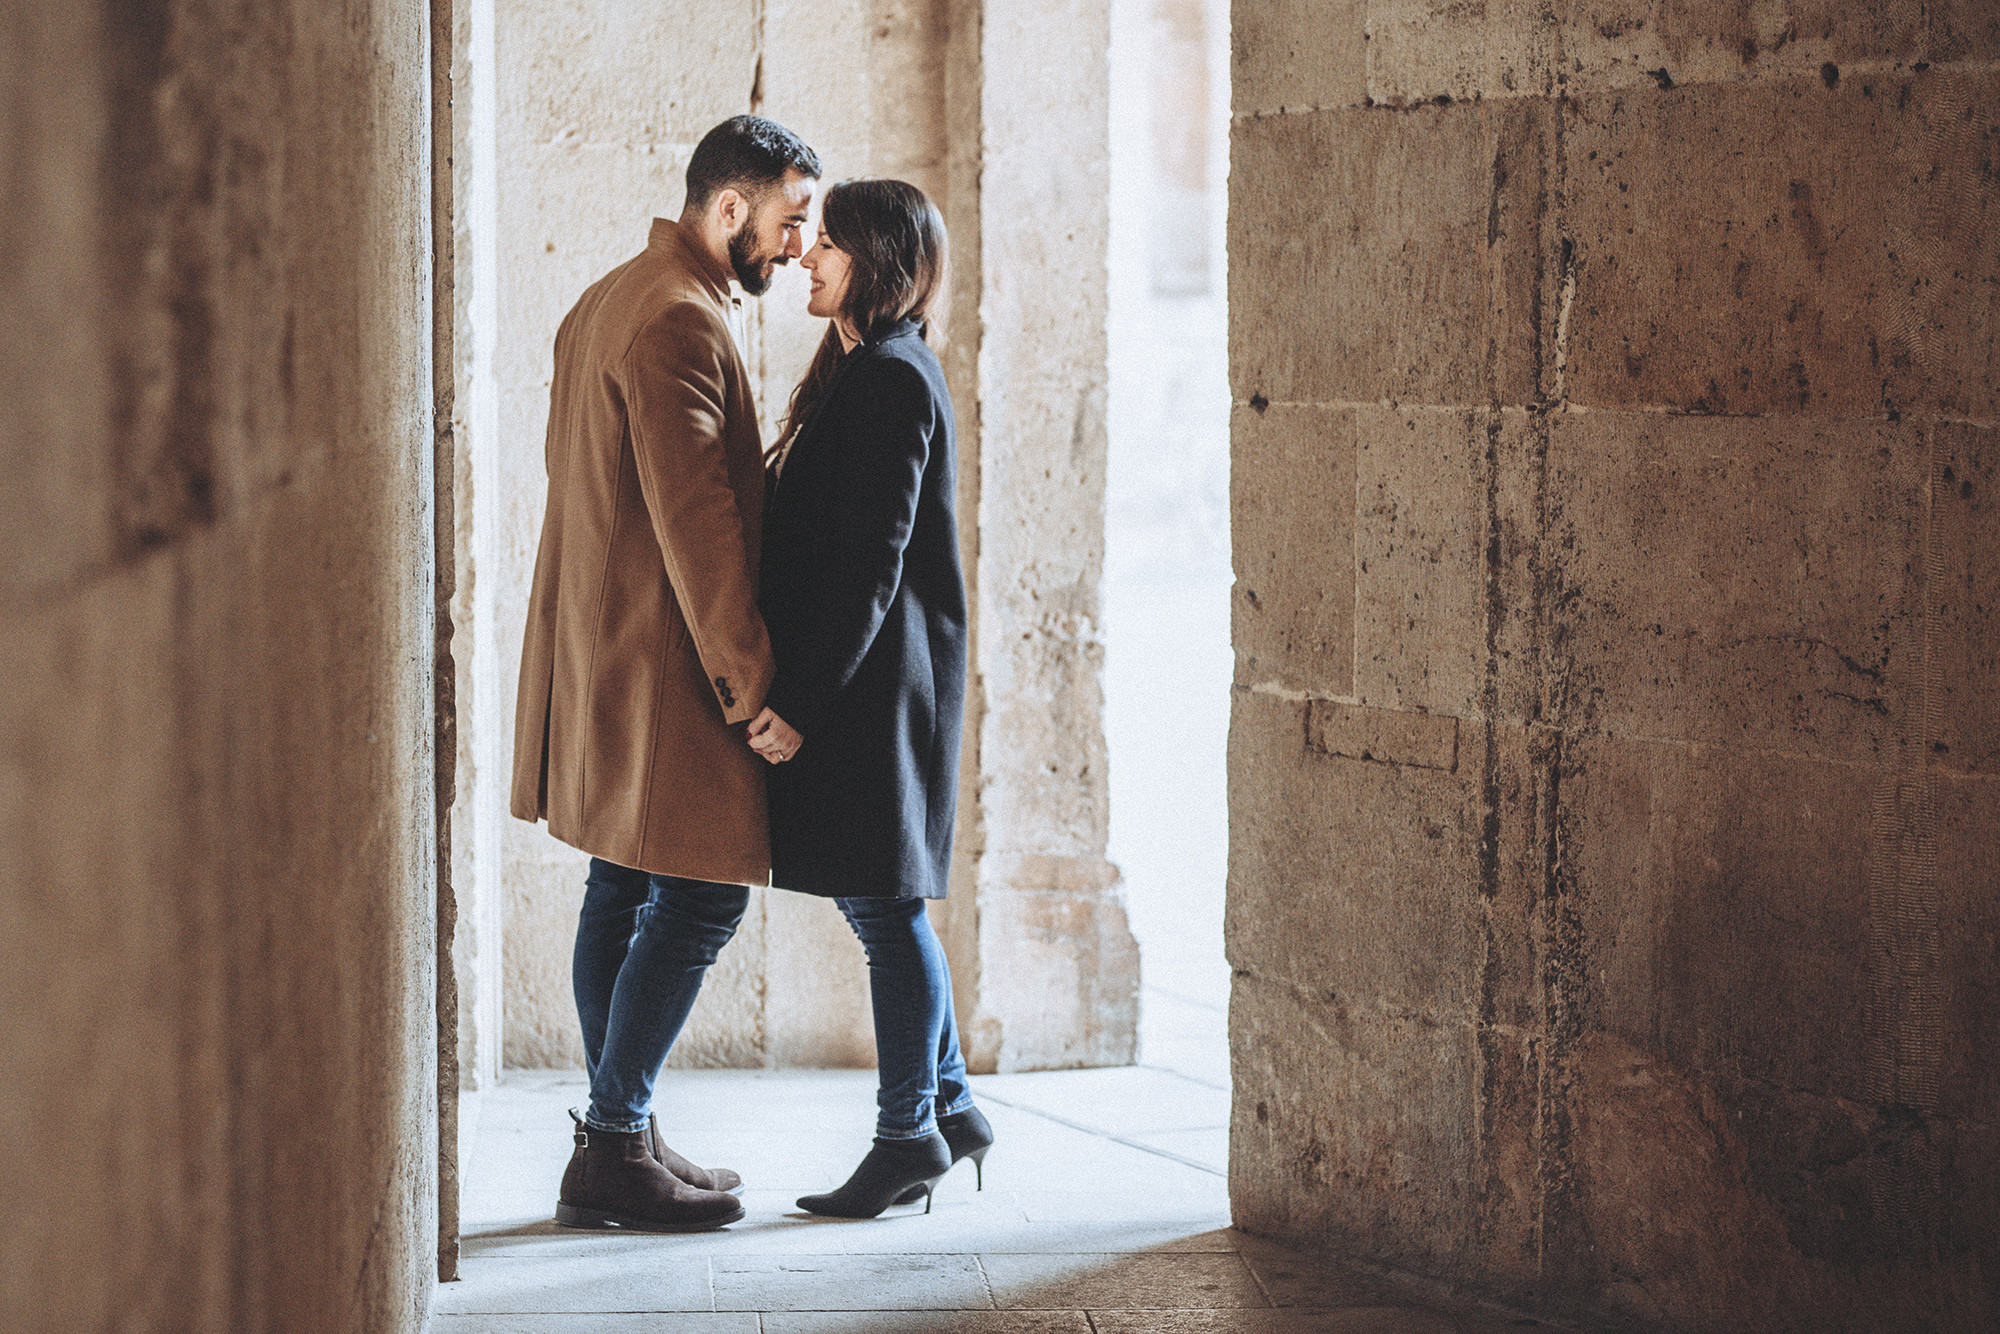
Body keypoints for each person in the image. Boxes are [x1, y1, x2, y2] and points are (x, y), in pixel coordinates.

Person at [509, 115, 819, 1232]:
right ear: (725, 207)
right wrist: (753, 687)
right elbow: (701, 528)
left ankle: (621, 1127)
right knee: (699, 893)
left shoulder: (609, 295)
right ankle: (611, 1137)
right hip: (662, 659)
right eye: (786, 222)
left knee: (621, 880)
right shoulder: (680, 322)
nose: (795, 247)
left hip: (604, 644)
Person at [751, 179, 994, 1217]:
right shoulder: (864, 365)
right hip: (870, 681)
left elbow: (871, 565)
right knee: (879, 901)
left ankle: (909, 1137)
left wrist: (799, 700)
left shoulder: (893, 376)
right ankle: (950, 1105)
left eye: (829, 244)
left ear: (876, 261)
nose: (807, 256)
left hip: (876, 689)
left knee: (887, 911)